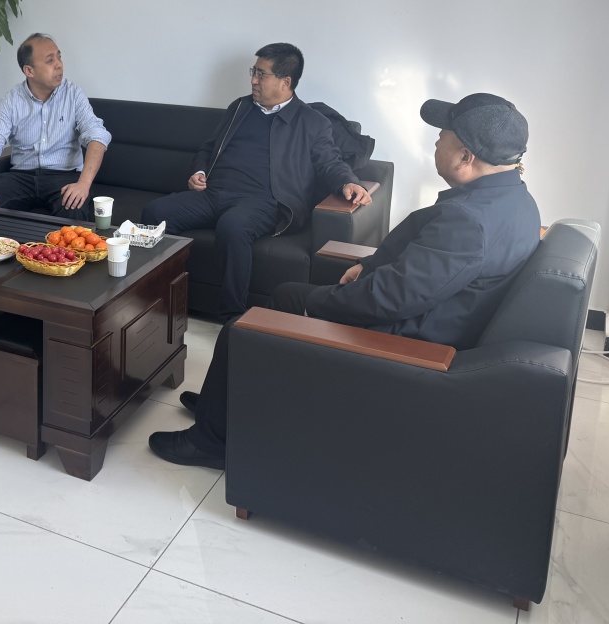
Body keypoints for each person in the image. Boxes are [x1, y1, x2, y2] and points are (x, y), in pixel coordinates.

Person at [148, 92, 542, 469]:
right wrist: (369, 265)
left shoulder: (468, 222)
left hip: (403, 343)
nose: (437, 140)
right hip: (421, 317)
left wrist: (319, 304)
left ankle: (211, 442)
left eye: (443, 135)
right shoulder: (516, 201)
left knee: (245, 324)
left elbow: (392, 298)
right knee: (281, 297)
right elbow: (429, 272)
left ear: (466, 156)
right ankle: (226, 404)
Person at [140, 43, 372, 321]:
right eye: (254, 72)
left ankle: (231, 316)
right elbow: (209, 147)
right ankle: (156, 300)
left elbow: (330, 163)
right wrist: (199, 170)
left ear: (285, 81)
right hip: (213, 194)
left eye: (261, 74)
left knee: (233, 226)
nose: (253, 80)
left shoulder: (312, 122)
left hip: (265, 202)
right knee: (155, 212)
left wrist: (348, 182)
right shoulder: (240, 108)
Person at [0, 33, 111, 221]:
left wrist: (83, 184)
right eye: (50, 60)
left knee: (74, 209)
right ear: (29, 71)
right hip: (21, 177)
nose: (59, 64)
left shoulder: (73, 95)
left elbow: (97, 136)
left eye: (59, 57)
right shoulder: (12, 100)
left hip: (63, 176)